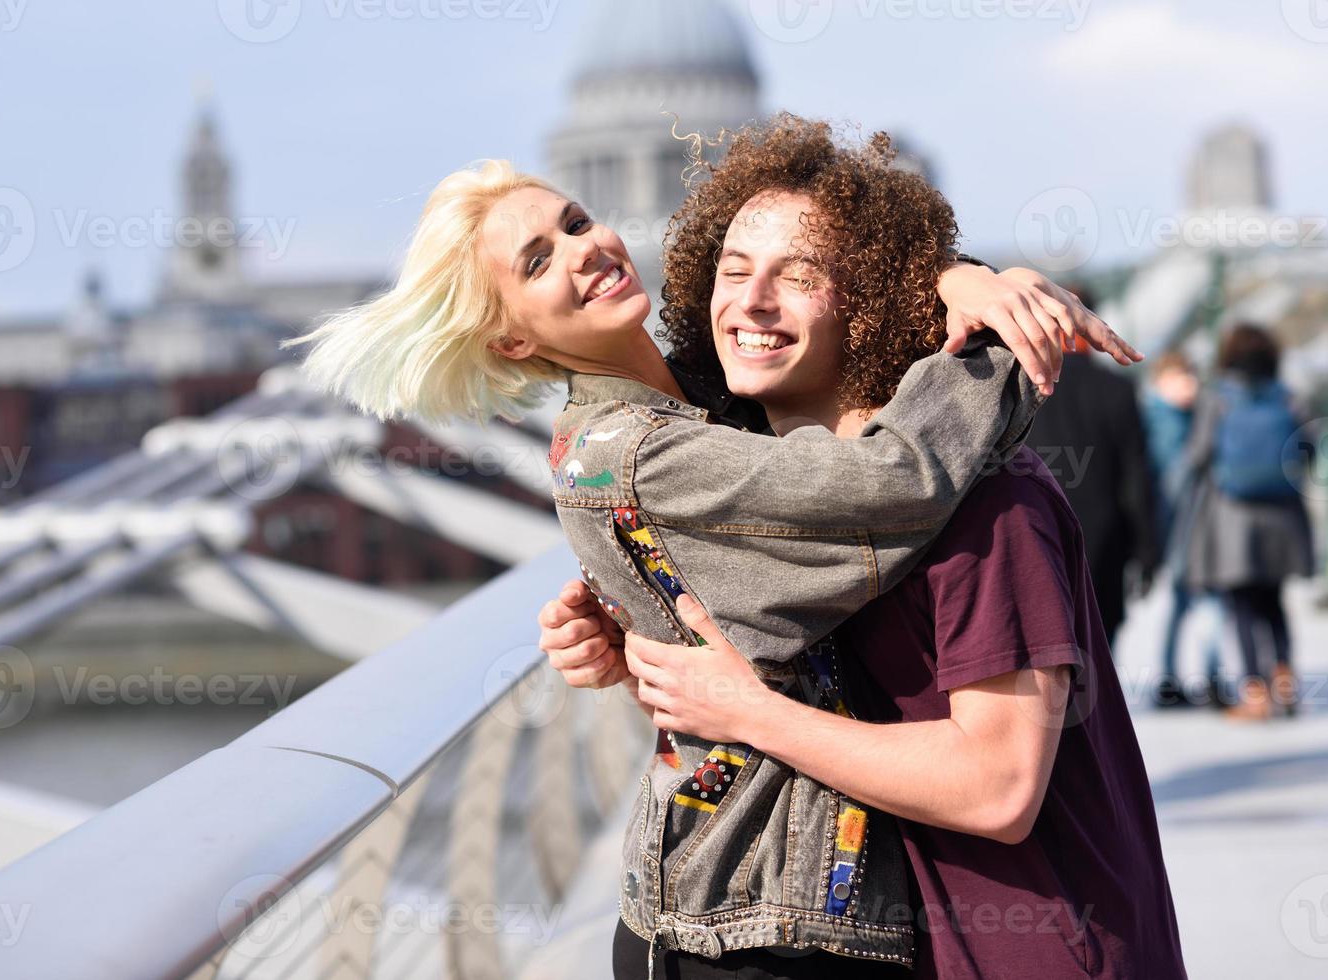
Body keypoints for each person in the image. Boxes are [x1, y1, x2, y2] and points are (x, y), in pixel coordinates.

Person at [285, 112, 1138, 977]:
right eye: (537, 261)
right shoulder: (636, 451)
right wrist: (995, 340)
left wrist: (953, 278)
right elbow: (889, 483)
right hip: (742, 924)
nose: (581, 250)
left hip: (798, 903)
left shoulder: (707, 395)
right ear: (512, 340)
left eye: (575, 222)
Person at [539, 121, 1183, 979]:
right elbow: (761, 695)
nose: (751, 303)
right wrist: (632, 646)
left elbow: (996, 787)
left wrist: (750, 713)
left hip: (1031, 946)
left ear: (872, 300)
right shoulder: (790, 510)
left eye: (798, 276)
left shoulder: (986, 510)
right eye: (733, 273)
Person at [1182, 324, 1315, 720]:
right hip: (1283, 513)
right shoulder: (1290, 397)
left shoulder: (1217, 397)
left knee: (1241, 604)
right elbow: (1306, 449)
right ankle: (1285, 683)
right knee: (1274, 601)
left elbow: (1198, 454)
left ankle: (1255, 695)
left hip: (1233, 517)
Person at [1024, 294, 1158, 647]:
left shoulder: (1020, 386)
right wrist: (1147, 549)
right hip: (1104, 541)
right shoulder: (1117, 390)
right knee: (1097, 649)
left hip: (1033, 534)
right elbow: (1136, 475)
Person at [1143, 351, 1224, 707]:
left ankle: (1177, 676)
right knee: (1198, 602)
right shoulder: (1165, 421)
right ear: (1162, 382)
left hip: (1189, 527)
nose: (1189, 385)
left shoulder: (1186, 417)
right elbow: (1173, 479)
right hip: (1180, 528)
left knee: (1188, 603)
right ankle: (1199, 677)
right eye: (1181, 377)